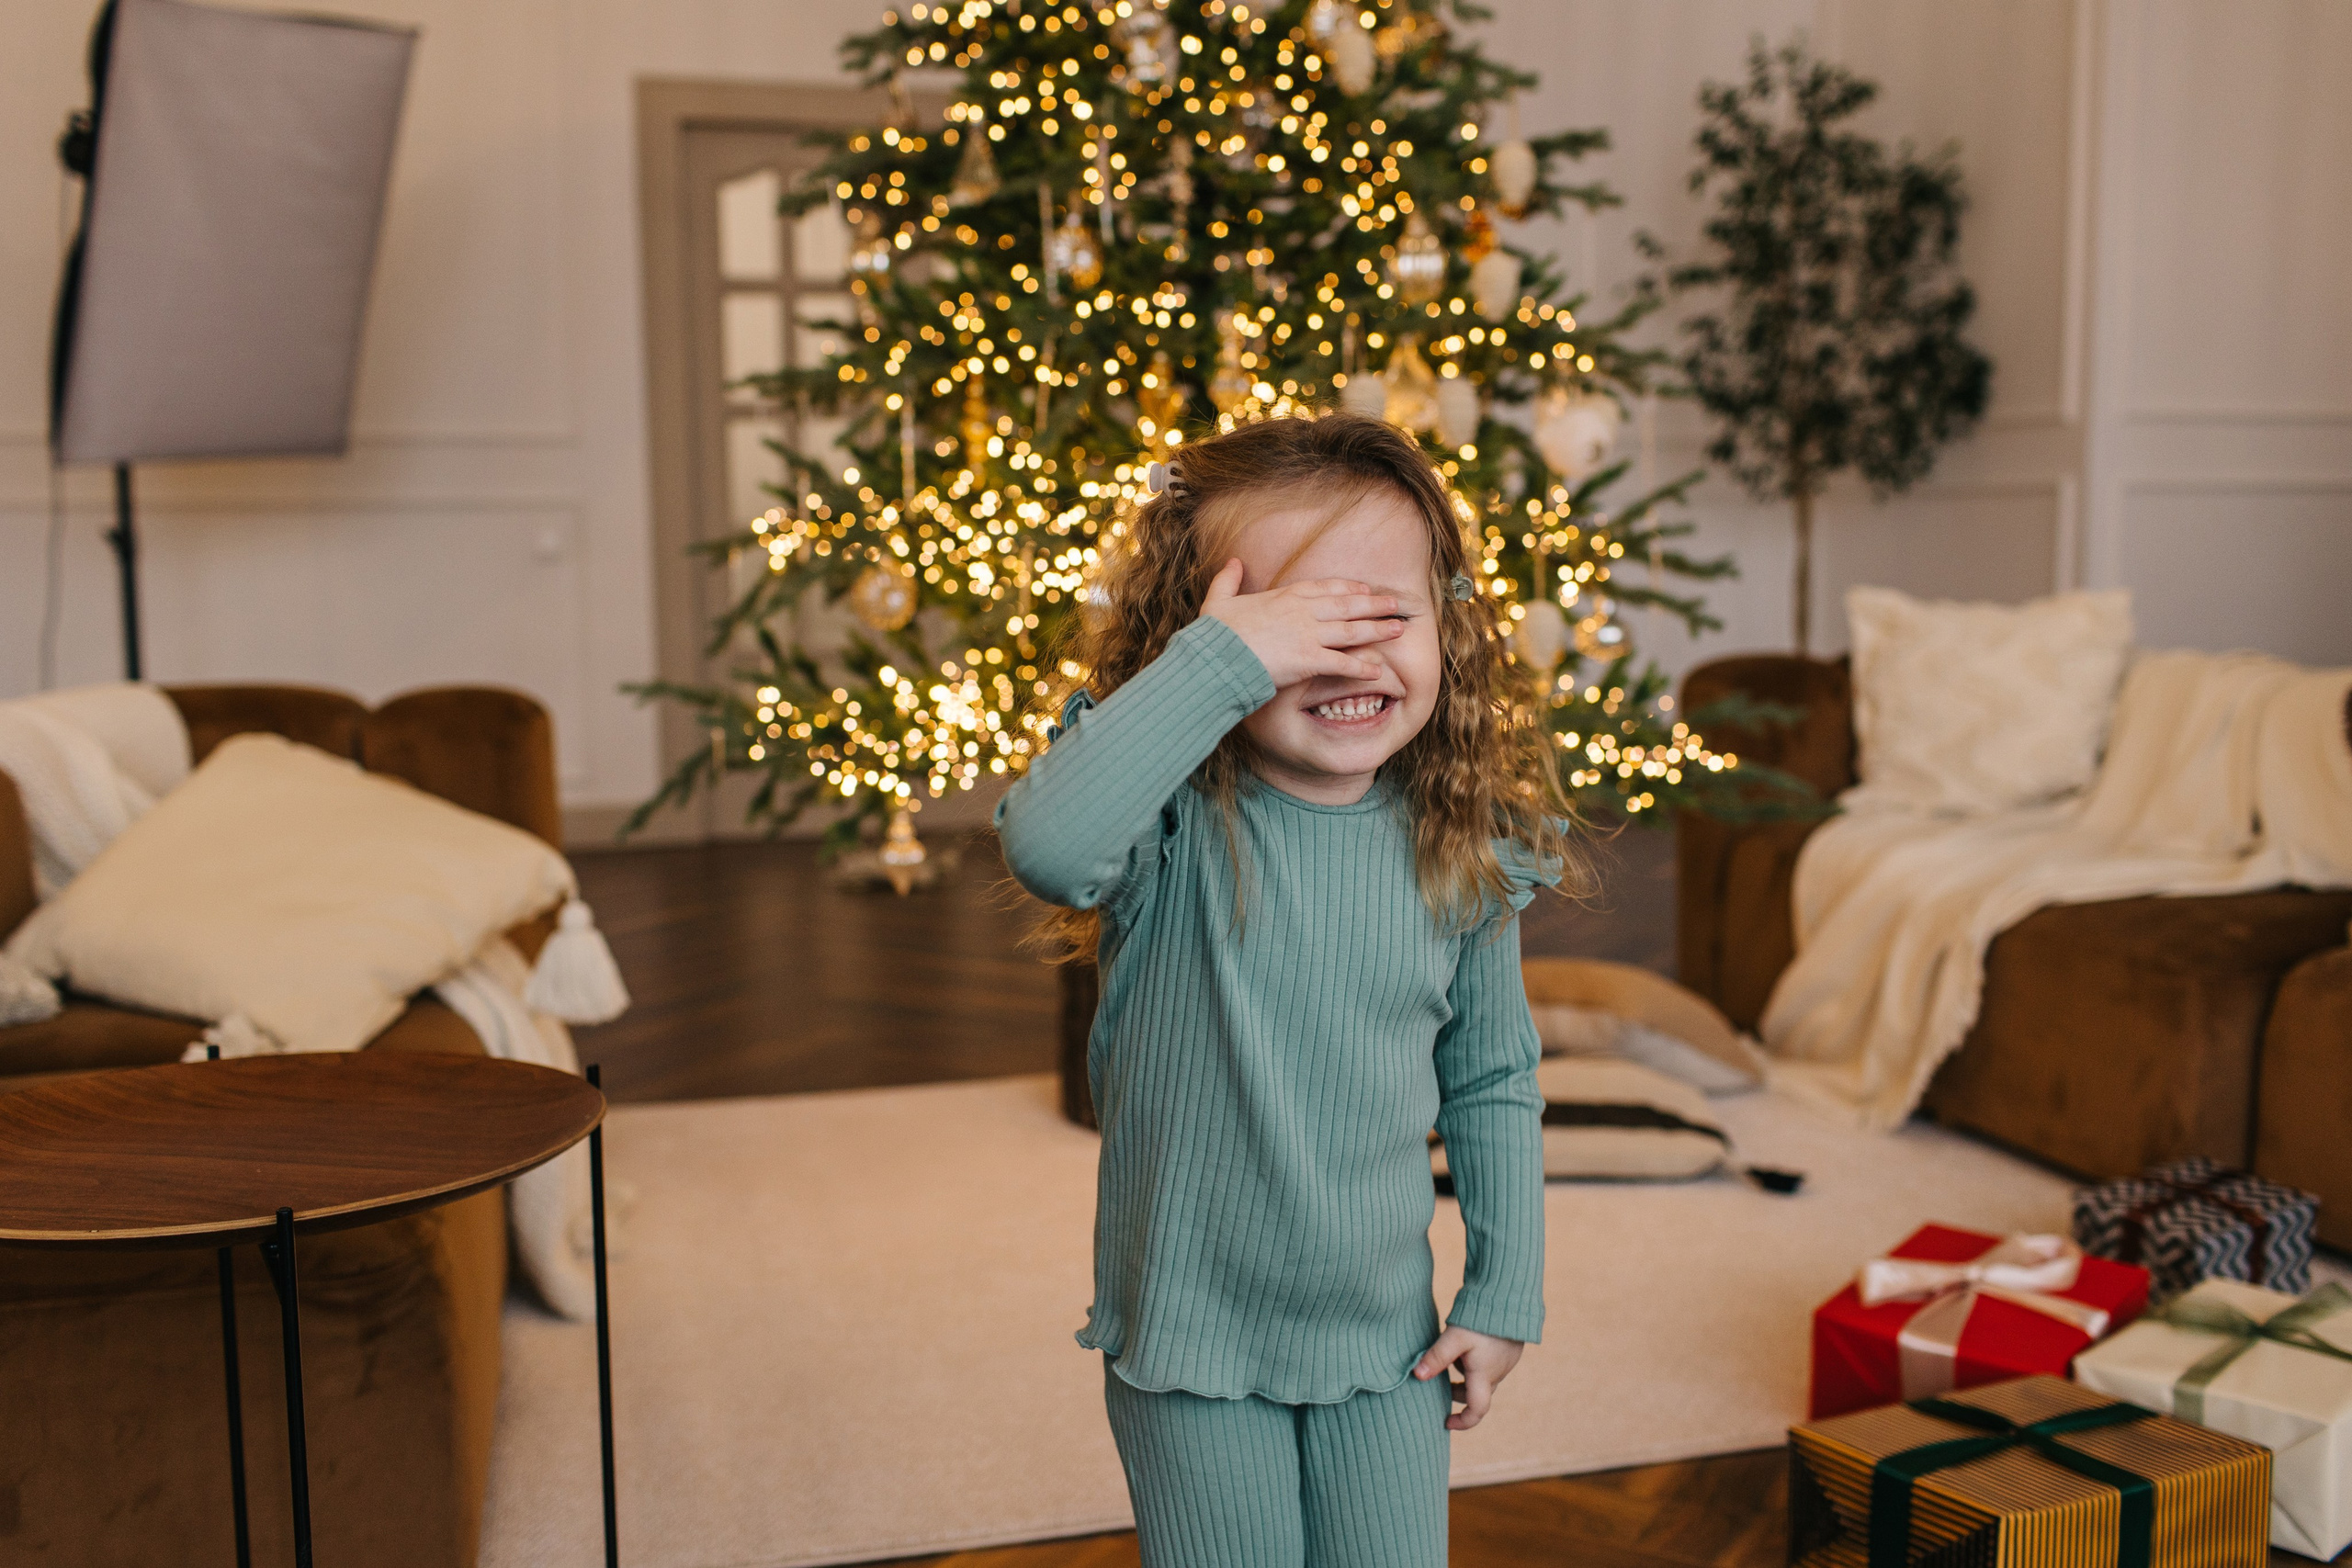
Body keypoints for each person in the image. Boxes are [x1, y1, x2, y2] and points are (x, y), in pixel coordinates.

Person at [994, 412, 1577, 1566]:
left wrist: (1504, 1289)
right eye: (1294, 628)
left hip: (1385, 1345)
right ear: (1205, 648)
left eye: (1382, 617)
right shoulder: (1167, 826)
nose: (1349, 657)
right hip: (1189, 1344)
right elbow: (1048, 846)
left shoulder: (1458, 844)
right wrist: (1219, 664)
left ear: (1446, 632)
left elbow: (1494, 1078)